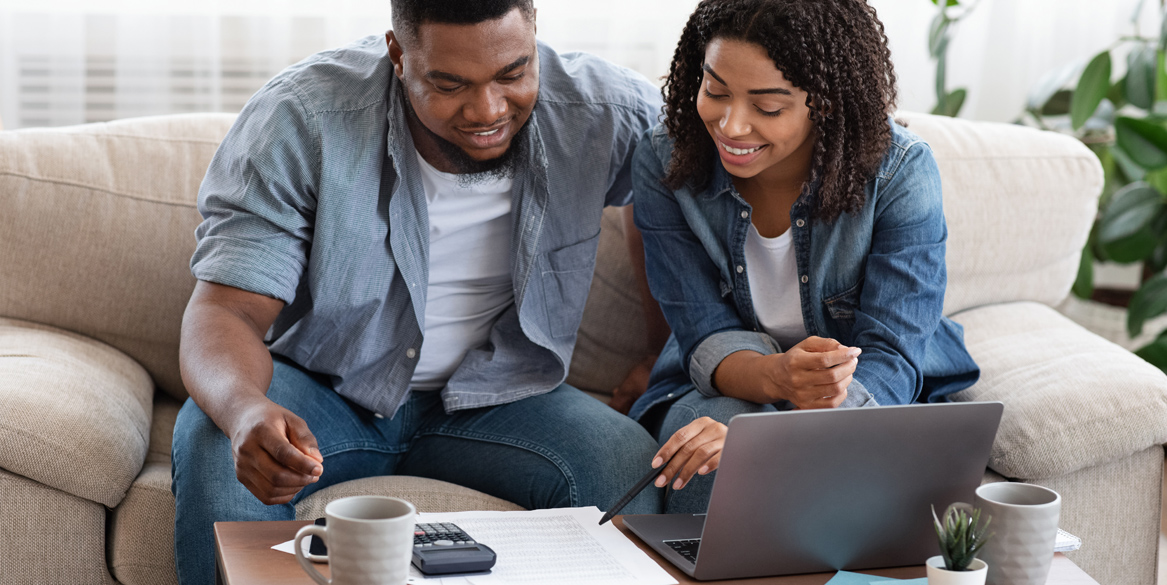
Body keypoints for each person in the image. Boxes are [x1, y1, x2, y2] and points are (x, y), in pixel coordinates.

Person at [170, 1, 665, 582]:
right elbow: (225, 309)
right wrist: (245, 408)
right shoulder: (302, 117)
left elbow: (677, 196)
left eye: (512, 73)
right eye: (450, 83)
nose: (488, 110)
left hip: (505, 398)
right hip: (328, 392)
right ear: (399, 56)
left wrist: (661, 349)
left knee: (625, 462)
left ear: (533, 36)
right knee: (214, 441)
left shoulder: (606, 111)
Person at [626, 0, 981, 515]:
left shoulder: (900, 173)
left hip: (861, 400)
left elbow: (891, 358)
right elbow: (702, 331)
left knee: (784, 468)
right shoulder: (666, 162)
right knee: (711, 463)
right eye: (715, 90)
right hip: (730, 381)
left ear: (828, 102)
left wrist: (779, 433)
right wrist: (777, 384)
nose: (731, 125)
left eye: (767, 108)